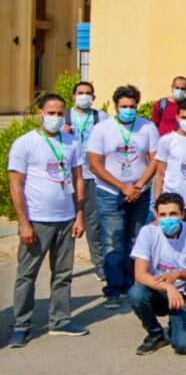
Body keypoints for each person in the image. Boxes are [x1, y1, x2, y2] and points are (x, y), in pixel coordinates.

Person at [8, 93, 88, 347]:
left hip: (66, 218)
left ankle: (60, 320)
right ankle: (21, 324)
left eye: (60, 113)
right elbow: (16, 184)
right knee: (27, 275)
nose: (56, 117)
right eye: (51, 113)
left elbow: (78, 179)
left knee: (63, 273)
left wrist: (79, 214)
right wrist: (24, 222)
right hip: (37, 220)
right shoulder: (25, 143)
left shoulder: (71, 142)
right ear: (40, 113)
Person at [87, 85, 160, 308]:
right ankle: (113, 288)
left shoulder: (147, 127)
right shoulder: (102, 129)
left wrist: (138, 185)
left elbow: (155, 160)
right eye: (124, 106)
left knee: (135, 239)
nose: (128, 110)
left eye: (132, 106)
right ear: (116, 106)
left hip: (139, 192)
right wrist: (122, 187)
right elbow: (94, 164)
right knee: (113, 242)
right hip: (110, 193)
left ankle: (132, 284)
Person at [127, 192, 186, 355]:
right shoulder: (147, 233)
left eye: (173, 214)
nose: (167, 219)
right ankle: (155, 334)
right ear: (156, 215)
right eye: (163, 214)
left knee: (184, 346)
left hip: (184, 295)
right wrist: (168, 287)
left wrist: (178, 275)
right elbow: (140, 275)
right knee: (136, 293)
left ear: (182, 214)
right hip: (158, 291)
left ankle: (178, 322)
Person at [65, 81, 107, 280]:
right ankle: (63, 268)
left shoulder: (101, 117)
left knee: (93, 223)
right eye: (80, 93)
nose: (84, 96)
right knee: (66, 223)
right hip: (66, 178)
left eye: (88, 93)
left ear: (94, 97)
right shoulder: (63, 117)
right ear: (73, 96)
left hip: (91, 176)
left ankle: (99, 264)